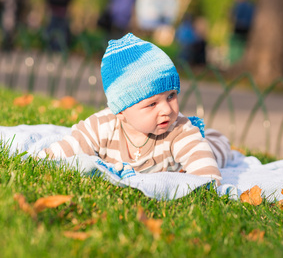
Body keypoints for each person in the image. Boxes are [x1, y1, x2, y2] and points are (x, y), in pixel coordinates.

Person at [38, 33, 233, 184]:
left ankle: (215, 139)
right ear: (121, 111)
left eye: (171, 96)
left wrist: (204, 183)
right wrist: (44, 159)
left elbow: (205, 172)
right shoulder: (102, 126)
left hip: (206, 145)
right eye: (152, 104)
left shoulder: (179, 130)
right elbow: (71, 146)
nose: (166, 109)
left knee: (212, 148)